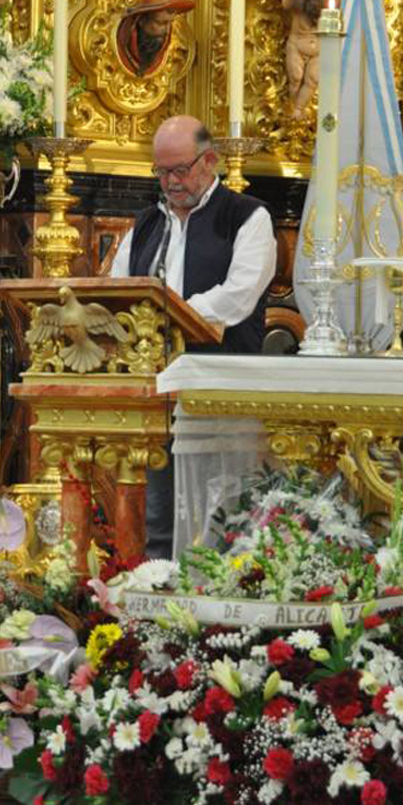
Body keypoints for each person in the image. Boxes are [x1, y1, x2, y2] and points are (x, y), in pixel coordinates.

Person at [110, 116, 276, 557]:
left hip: (221, 391)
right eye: (161, 172)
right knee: (159, 518)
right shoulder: (147, 224)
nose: (170, 182)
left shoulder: (247, 217)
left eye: (180, 170)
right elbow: (118, 290)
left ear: (210, 161)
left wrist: (167, 313)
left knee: (223, 520)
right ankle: (159, 586)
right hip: (158, 392)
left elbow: (238, 296)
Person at [116, 0, 195, 77]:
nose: (167, 30)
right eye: (160, 23)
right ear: (141, 21)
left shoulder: (165, 49)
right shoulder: (120, 46)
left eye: (170, 23)